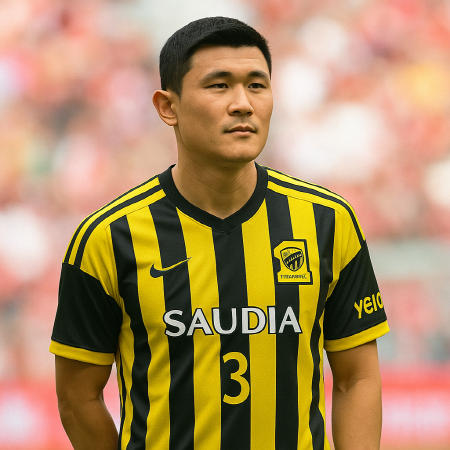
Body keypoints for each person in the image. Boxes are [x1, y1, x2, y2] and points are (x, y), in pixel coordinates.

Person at [50, 16, 389, 450]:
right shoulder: (108, 238)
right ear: (167, 107)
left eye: (257, 85)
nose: (243, 103)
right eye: (219, 85)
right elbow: (77, 397)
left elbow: (356, 378)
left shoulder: (328, 221)